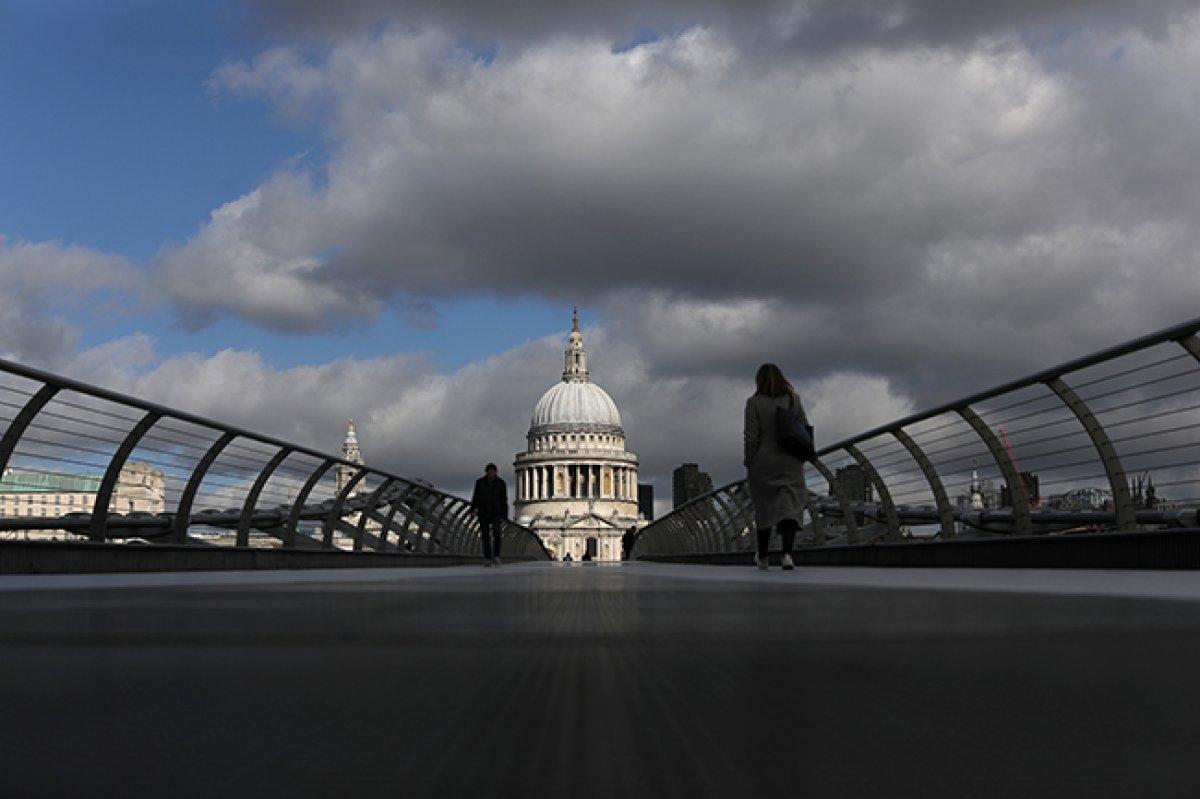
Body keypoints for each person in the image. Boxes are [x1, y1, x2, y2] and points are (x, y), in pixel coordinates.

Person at [744, 363, 808, 571]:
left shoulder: (754, 403)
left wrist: (749, 461)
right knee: (789, 507)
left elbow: (751, 437)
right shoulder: (793, 400)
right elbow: (804, 427)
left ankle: (763, 556)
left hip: (764, 460)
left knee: (764, 508)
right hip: (790, 459)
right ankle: (787, 555)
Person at [470, 463, 508, 566]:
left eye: (492, 472)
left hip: (496, 513)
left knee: (497, 534)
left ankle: (496, 556)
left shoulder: (501, 483)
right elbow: (475, 497)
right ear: (486, 472)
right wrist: (472, 510)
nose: (490, 473)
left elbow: (504, 500)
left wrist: (504, 516)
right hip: (483, 512)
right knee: (485, 536)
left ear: (495, 472)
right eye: (489, 472)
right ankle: (487, 557)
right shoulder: (480, 482)